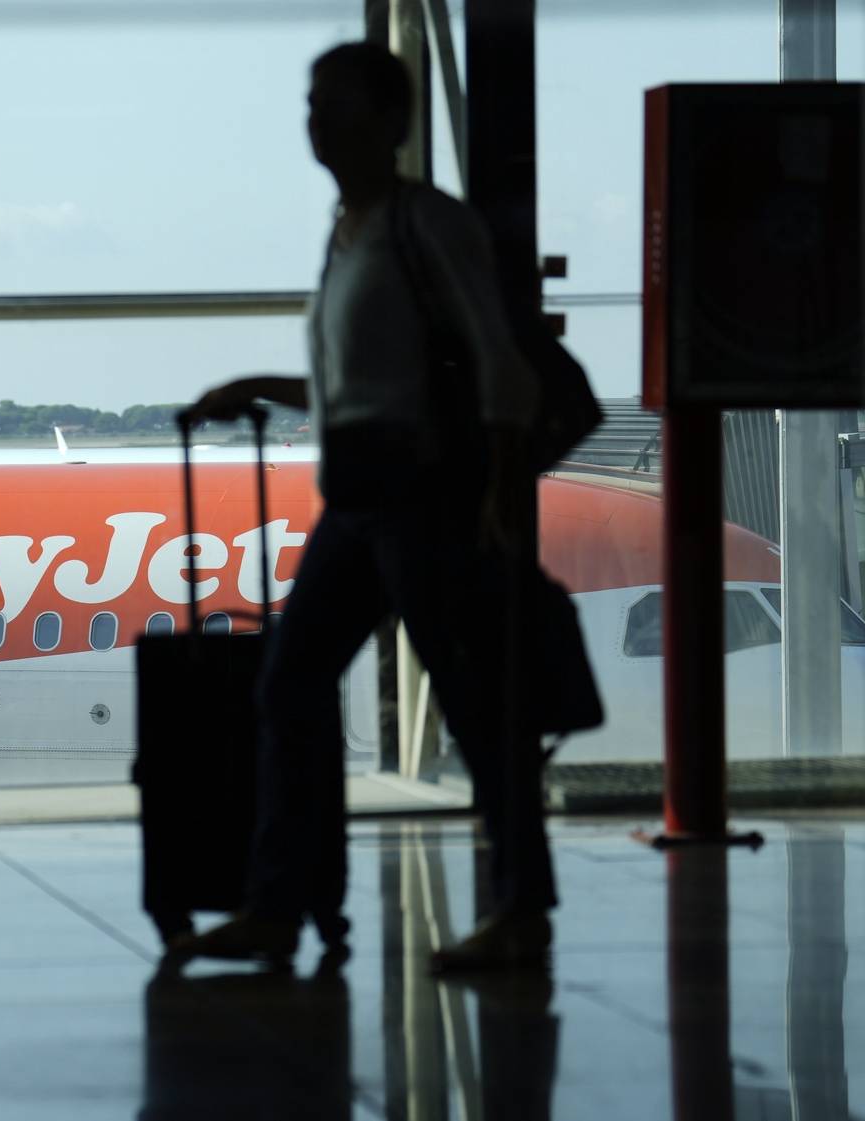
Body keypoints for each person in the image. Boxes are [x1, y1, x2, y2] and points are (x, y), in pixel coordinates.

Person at [177, 41, 556, 971]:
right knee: (292, 687)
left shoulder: (427, 226)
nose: (317, 120)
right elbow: (359, 379)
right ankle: (279, 905)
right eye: (312, 103)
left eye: (335, 104)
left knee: (468, 708)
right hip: (359, 501)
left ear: (392, 123)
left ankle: (520, 909)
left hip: (423, 500)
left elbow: (502, 367)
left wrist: (502, 492)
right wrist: (256, 385)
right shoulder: (348, 230)